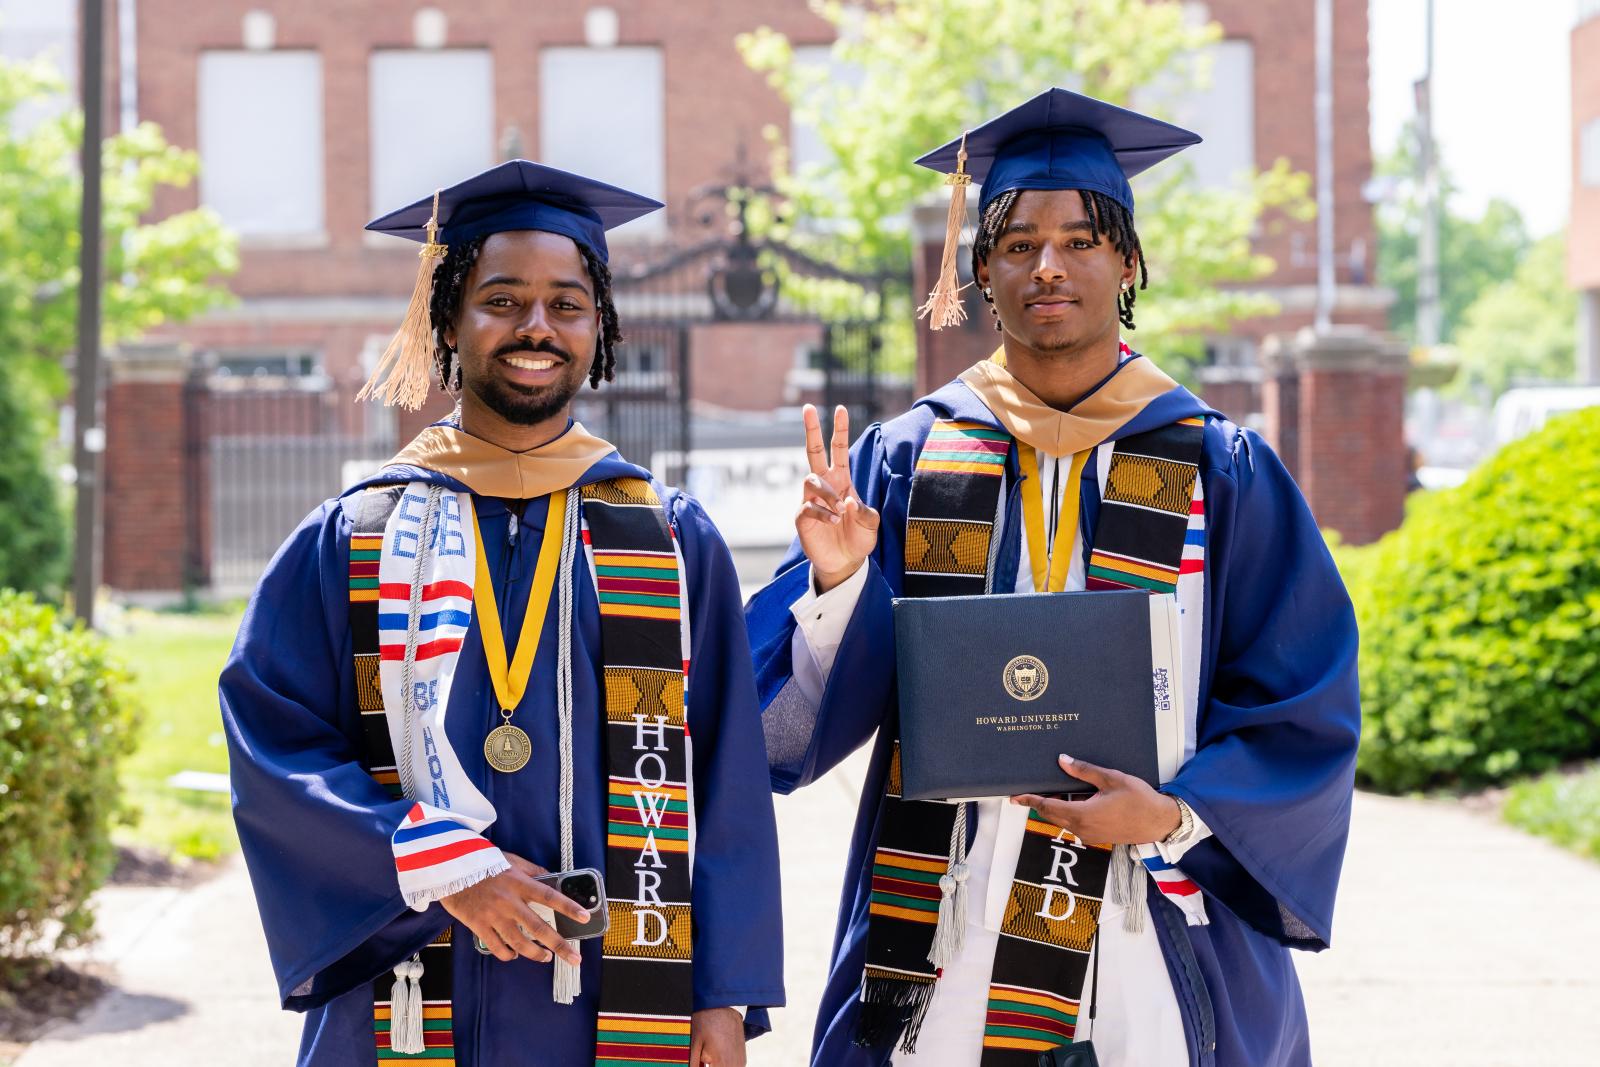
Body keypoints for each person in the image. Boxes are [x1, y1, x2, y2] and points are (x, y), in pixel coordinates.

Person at [746, 88, 1359, 1067]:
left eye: (1081, 239)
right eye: (1018, 241)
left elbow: (1302, 698)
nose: (1048, 265)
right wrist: (838, 587)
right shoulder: (905, 461)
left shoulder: (1220, 468)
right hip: (949, 924)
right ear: (980, 267)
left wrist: (1171, 810)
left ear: (1126, 260)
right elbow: (782, 728)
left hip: (1151, 924)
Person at [221, 160, 784, 1067]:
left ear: (598, 328)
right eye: (502, 299)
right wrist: (442, 864)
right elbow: (273, 750)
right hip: (405, 992)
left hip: (616, 1000)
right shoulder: (358, 534)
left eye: (567, 304)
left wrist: (725, 995)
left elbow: (725, 777)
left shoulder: (668, 539)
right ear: (447, 319)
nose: (537, 326)